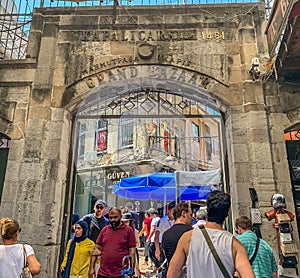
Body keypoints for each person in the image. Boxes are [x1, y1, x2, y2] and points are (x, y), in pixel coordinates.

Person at [167, 191, 255, 278]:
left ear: (207, 210)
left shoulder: (187, 238)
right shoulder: (235, 245)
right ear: (226, 214)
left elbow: (172, 274)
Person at [89, 207, 136, 278]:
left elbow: (132, 251)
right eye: (111, 218)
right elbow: (96, 249)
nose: (113, 220)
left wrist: (131, 270)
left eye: (115, 217)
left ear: (120, 216)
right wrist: (91, 268)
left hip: (120, 273)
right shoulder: (105, 230)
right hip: (103, 273)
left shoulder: (128, 230)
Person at [122, 212, 141, 278]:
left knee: (133, 271)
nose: (125, 223)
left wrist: (131, 245)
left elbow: (138, 244)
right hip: (122, 252)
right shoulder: (119, 230)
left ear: (130, 222)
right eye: (123, 222)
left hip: (131, 253)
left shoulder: (134, 231)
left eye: (126, 222)